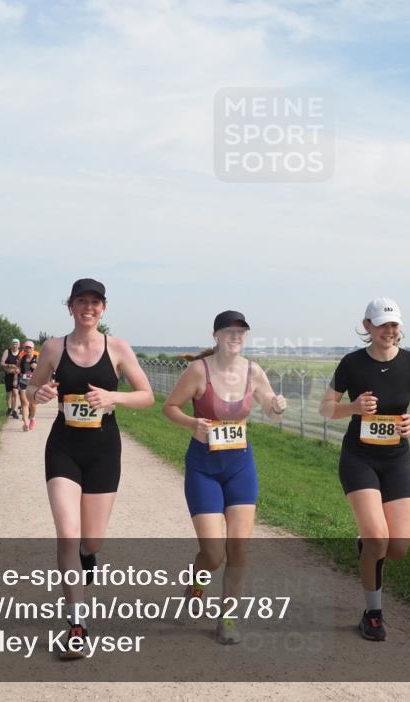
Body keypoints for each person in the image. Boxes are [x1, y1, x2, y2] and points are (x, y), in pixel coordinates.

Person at [25, 278, 154, 659]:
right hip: (63, 447)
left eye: (95, 302)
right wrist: (39, 393)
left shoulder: (118, 348)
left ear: (104, 308)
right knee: (67, 533)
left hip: (103, 450)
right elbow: (31, 388)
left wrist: (114, 396)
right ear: (70, 306)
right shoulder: (54, 347)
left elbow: (147, 396)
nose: (88, 307)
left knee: (91, 540)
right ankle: (76, 626)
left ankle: (87, 554)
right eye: (81, 301)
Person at [162, 310, 286, 645]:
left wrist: (277, 406)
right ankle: (196, 582)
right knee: (213, 554)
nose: (235, 337)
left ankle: (227, 618)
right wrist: (192, 423)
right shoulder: (198, 371)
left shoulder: (253, 371)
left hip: (240, 467)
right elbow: (170, 407)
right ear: (216, 335)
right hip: (203, 468)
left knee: (239, 548)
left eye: (241, 332)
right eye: (229, 331)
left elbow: (271, 411)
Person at [318, 297, 410, 642]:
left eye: (394, 324)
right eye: (382, 324)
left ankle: (366, 545)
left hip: (396, 460)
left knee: (397, 548)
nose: (389, 330)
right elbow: (326, 408)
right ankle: (373, 614)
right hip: (359, 459)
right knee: (378, 539)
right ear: (367, 326)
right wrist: (353, 407)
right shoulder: (352, 363)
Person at [17, 340, 39, 431]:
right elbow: (18, 367)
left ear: (33, 349)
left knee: (33, 403)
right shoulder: (22, 358)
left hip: (34, 383)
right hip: (23, 382)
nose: (28, 349)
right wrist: (17, 372)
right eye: (26, 347)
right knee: (24, 402)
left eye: (29, 347)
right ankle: (26, 423)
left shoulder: (37, 358)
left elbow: (44, 369)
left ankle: (32, 418)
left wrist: (37, 367)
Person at [1, 339, 22, 418]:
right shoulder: (7, 351)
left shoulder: (21, 353)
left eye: (16, 344)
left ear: (19, 345)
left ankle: (15, 411)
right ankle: (9, 408)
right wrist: (10, 365)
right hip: (8, 375)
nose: (14, 345)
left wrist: (18, 371)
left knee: (15, 393)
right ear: (11, 344)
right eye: (13, 344)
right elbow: (2, 363)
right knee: (8, 394)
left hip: (17, 375)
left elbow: (22, 364)